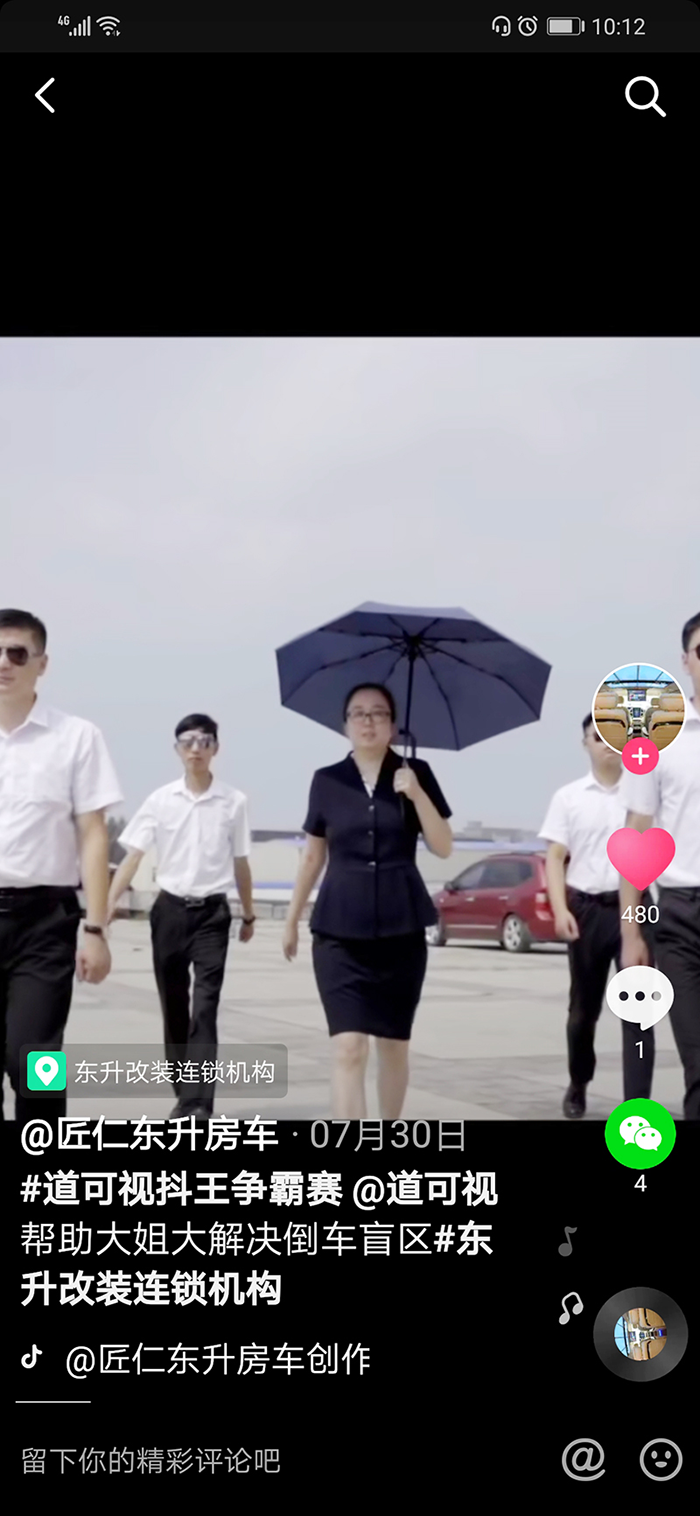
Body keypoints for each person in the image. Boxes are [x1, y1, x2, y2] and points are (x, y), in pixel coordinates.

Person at [282, 683, 452, 1120]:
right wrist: (291, 919)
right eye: (358, 713)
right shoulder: (327, 780)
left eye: (378, 713)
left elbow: (443, 845)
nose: (368, 721)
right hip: (338, 930)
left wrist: (416, 794)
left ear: (393, 725)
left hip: (402, 928)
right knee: (349, 1047)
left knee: (393, 1045)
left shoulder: (417, 773)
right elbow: (313, 856)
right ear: (345, 725)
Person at [0, 609, 122, 1123]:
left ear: (42, 664)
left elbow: (93, 835)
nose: (4, 663)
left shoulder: (76, 737)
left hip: (44, 921)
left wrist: (95, 929)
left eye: (17, 653)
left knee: (34, 1059)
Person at [107, 714, 254, 1118]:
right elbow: (132, 857)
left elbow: (241, 861)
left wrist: (249, 914)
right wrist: (106, 906)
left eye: (204, 741)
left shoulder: (234, 802)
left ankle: (197, 1103)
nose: (195, 749)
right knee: (174, 1005)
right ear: (177, 749)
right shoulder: (160, 800)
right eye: (187, 741)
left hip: (212, 916)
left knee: (205, 1007)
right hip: (169, 912)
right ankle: (184, 1090)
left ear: (215, 748)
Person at [539, 713, 655, 1119]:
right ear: (585, 744)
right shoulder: (568, 797)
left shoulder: (644, 797)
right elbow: (555, 857)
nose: (606, 743)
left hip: (635, 910)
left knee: (639, 1011)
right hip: (586, 909)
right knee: (582, 1011)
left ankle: (637, 1100)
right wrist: (560, 910)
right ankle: (579, 1082)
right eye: (597, 736)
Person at [620, 612, 700, 1120]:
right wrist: (631, 933)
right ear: (686, 661)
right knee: (698, 1061)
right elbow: (636, 834)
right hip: (680, 917)